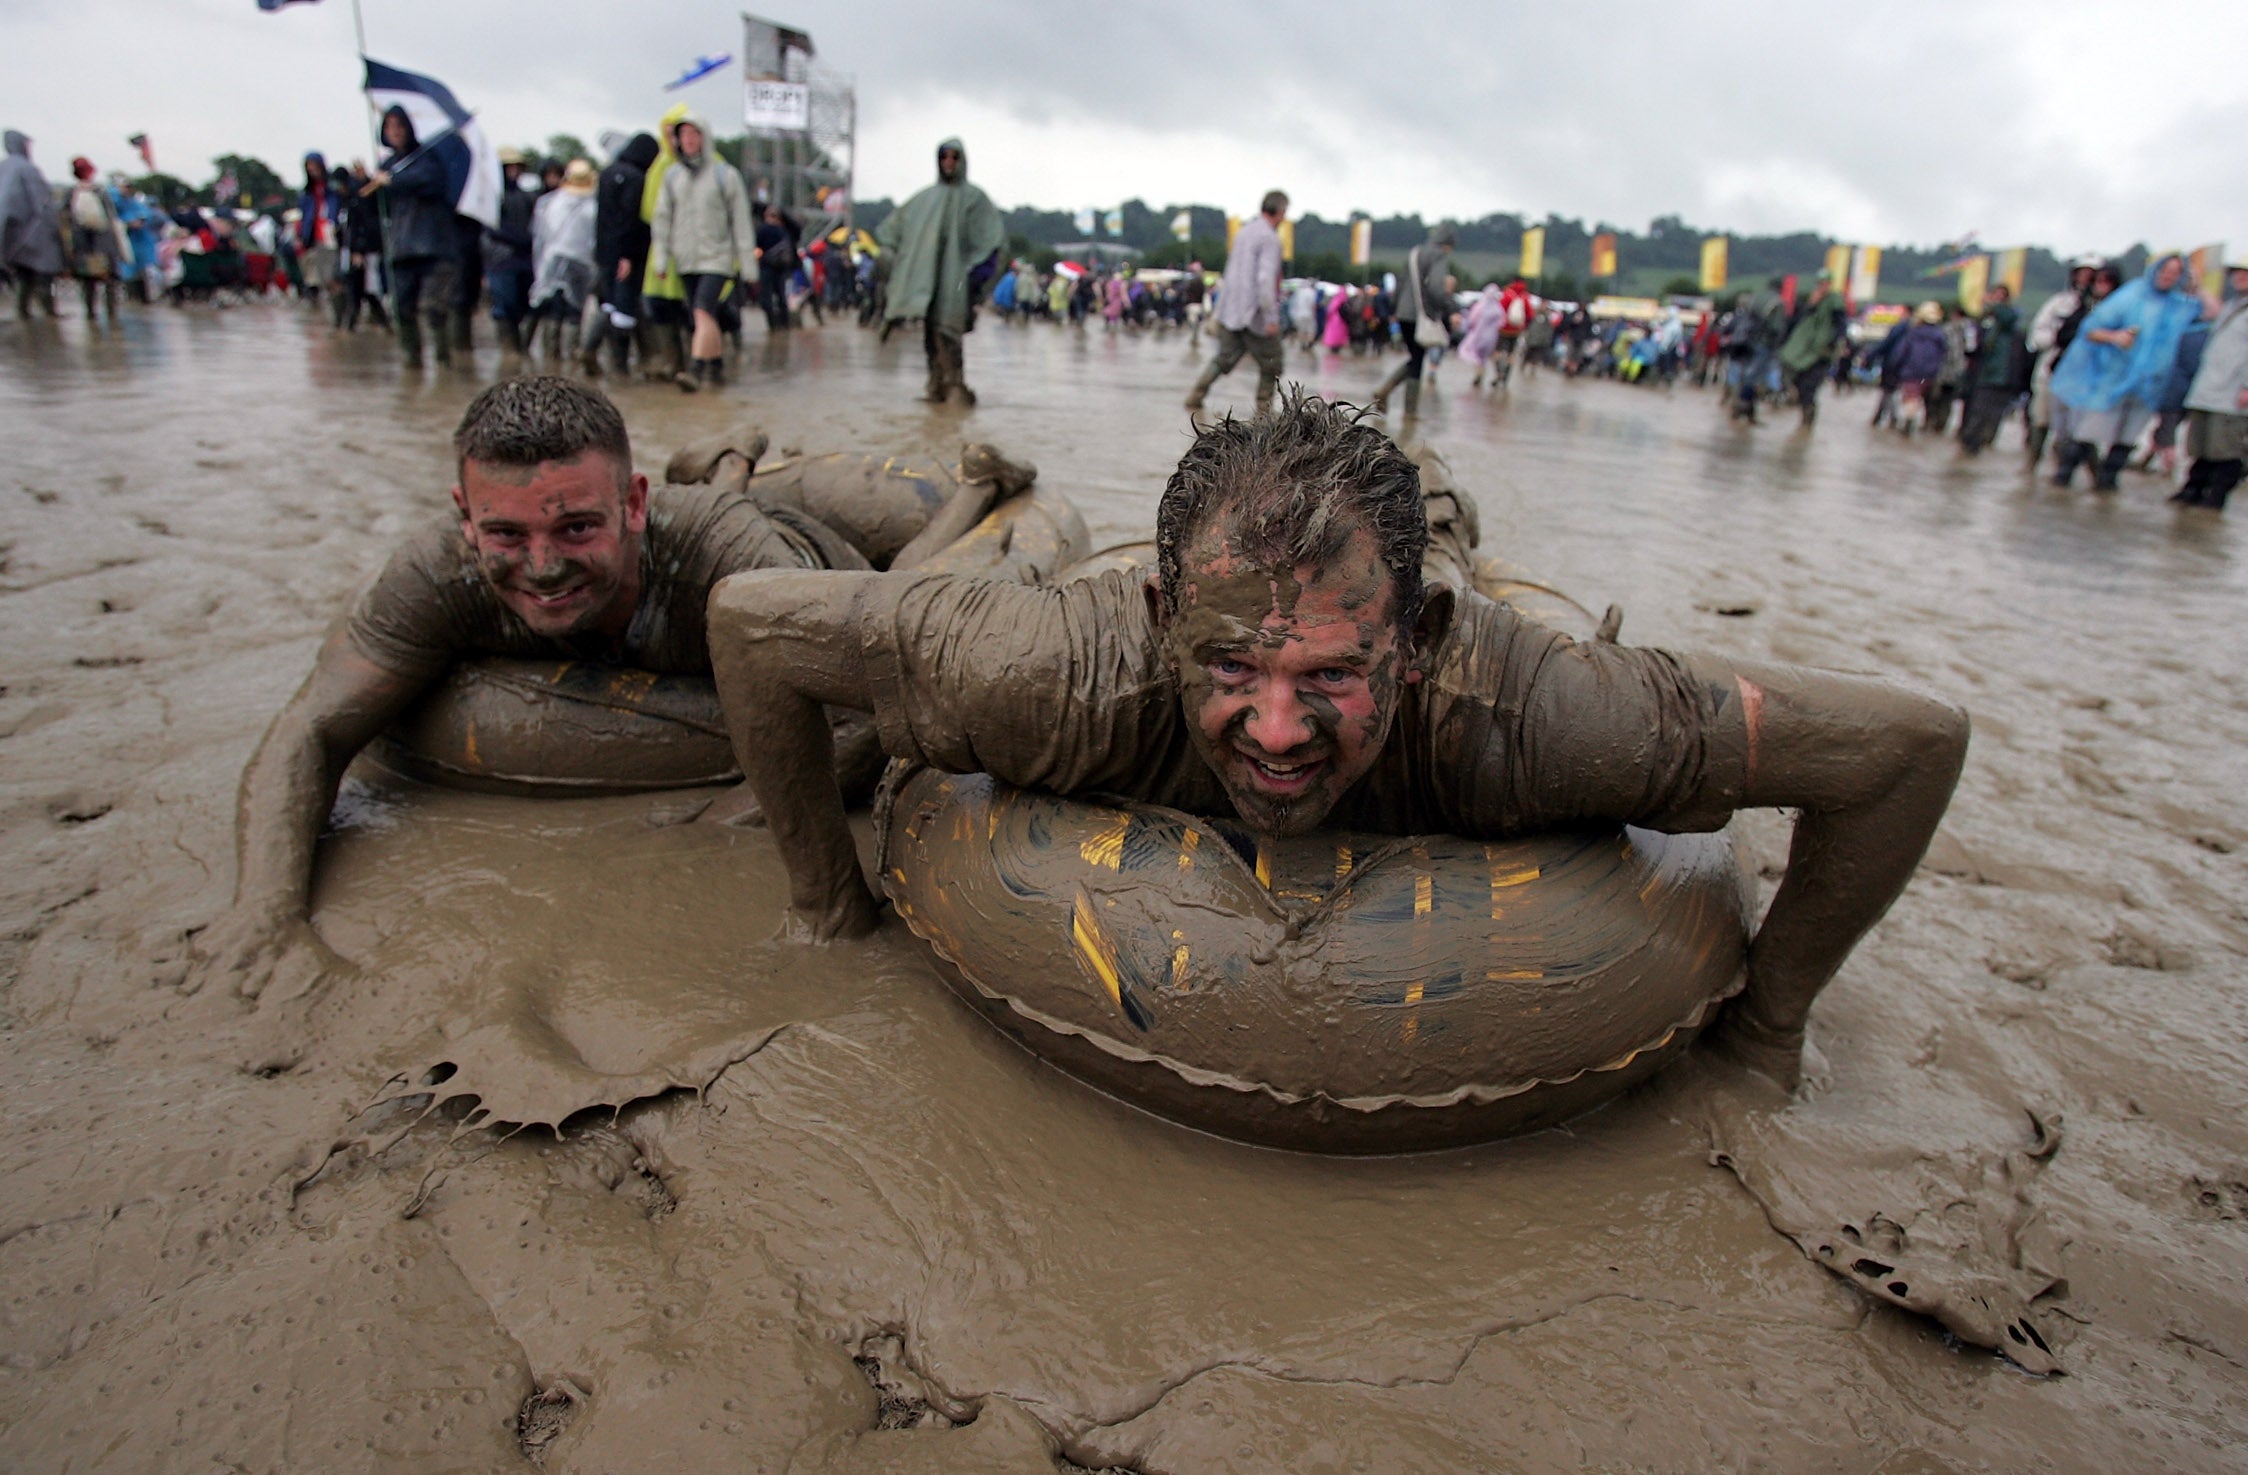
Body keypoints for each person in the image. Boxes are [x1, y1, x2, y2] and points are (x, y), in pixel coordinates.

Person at [704, 394, 1968, 1093]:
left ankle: (1434, 495)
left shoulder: (1533, 714)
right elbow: (756, 624)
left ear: (1409, 644)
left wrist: (1767, 1027)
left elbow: (1907, 747)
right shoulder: (1054, 673)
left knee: (1428, 521)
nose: (1274, 729)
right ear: (1161, 621)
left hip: (1447, 600)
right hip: (1133, 596)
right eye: (1231, 668)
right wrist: (830, 910)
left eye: (1329, 676)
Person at [194, 376, 1036, 1000]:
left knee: (907, 596)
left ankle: (974, 491)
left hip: (816, 562)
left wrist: (728, 812)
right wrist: (265, 910)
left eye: (575, 526)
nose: (544, 564)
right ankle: (733, 456)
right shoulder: (438, 571)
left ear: (633, 503)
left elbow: (866, 711)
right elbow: (311, 726)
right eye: (506, 533)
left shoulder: (728, 560)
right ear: (464, 516)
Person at [2049, 254, 2204, 491]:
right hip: (2114, 377)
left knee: (2128, 437)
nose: (2168, 277)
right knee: (2091, 429)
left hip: (2149, 384)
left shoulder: (2181, 306)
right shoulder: (2131, 296)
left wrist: (2197, 286)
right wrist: (2115, 336)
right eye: (2165, 271)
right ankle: (2063, 477)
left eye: (2175, 273)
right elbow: (2090, 329)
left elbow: (2213, 313)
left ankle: (2107, 484)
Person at [875, 138, 1005, 406]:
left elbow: (993, 241)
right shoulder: (923, 199)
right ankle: (936, 385)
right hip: (925, 280)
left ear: (962, 161)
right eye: (944, 157)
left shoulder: (974, 199)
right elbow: (891, 230)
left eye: (954, 157)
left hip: (957, 281)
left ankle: (955, 384)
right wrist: (888, 255)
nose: (948, 163)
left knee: (949, 331)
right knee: (931, 333)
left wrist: (975, 278)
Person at [650, 114, 755, 390]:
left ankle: (695, 370)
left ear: (705, 138)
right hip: (686, 258)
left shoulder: (725, 175)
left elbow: (741, 222)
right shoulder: (672, 177)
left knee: (702, 312)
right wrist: (661, 259)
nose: (690, 141)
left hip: (717, 257)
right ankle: (716, 366)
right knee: (703, 314)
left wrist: (748, 267)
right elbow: (662, 220)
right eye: (684, 136)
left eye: (695, 135)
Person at [366, 105, 461, 367]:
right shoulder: (385, 166)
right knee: (401, 309)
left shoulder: (427, 159)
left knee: (434, 309)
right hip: (400, 247)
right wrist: (365, 183)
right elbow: (372, 207)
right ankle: (412, 362)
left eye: (400, 126)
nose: (395, 131)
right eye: (389, 127)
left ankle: (443, 361)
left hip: (433, 246)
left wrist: (394, 181)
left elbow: (431, 183)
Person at [1184, 190, 1287, 416]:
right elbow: (1265, 279)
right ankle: (1263, 412)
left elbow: (1230, 274)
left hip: (1232, 312)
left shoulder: (1243, 233)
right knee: (1272, 363)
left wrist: (1220, 311)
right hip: (1256, 315)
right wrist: (1270, 317)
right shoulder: (1269, 238)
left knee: (1224, 358)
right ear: (1280, 212)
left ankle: (1195, 396)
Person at [580, 132, 658, 377]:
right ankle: (618, 364)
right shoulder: (636, 179)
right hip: (627, 254)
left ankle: (590, 349)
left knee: (610, 303)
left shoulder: (606, 174)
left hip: (604, 252)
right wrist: (627, 255)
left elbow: (603, 219)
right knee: (623, 307)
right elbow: (629, 219)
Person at [2174, 260, 2248, 510]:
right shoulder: (2232, 306)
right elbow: (2213, 312)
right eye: (2238, 272)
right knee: (2200, 446)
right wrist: (2199, 286)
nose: (2241, 277)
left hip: (2233, 394)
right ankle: (2192, 491)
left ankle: (2215, 500)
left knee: (2226, 450)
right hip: (2208, 390)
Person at [1371, 224, 1460, 416]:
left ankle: (1387, 393)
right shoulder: (1438, 256)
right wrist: (1449, 308)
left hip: (1403, 314)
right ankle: (1407, 411)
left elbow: (1401, 282)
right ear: (1448, 245)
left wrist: (1394, 309)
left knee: (1415, 357)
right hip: (1420, 316)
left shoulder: (1415, 253)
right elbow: (1437, 288)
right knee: (1417, 359)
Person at [2024, 256, 2099, 467]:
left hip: (2085, 376)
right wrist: (2058, 338)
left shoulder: (2104, 307)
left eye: (2091, 274)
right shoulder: (2059, 303)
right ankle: (2032, 463)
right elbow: (2037, 335)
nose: (2085, 278)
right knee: (2041, 418)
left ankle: (2090, 473)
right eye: (2081, 272)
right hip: (2052, 369)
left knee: (2080, 427)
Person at [529, 158, 598, 363]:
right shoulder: (592, 206)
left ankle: (550, 358)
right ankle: (571, 358)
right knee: (574, 310)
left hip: (551, 260)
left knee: (552, 307)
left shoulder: (550, 202)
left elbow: (539, 237)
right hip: (581, 263)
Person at [1957, 284, 2028, 454]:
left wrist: (1993, 305)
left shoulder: (2008, 319)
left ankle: (1979, 442)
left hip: (1999, 375)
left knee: (1989, 412)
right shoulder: (1985, 321)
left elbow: (2008, 317)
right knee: (1975, 410)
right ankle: (1969, 442)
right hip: (1980, 372)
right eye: (1995, 295)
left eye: (2001, 296)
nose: (1996, 299)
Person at [1, 130, 64, 318]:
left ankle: (23, 312)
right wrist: (55, 230)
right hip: (35, 234)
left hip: (11, 236)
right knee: (43, 276)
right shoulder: (28, 169)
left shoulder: (3, 167)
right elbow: (43, 204)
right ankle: (49, 312)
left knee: (23, 277)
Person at [484, 148, 536, 355]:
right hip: (501, 259)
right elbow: (491, 228)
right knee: (504, 304)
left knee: (522, 304)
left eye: (517, 167)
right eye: (509, 167)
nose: (514, 171)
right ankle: (509, 351)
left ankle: (518, 349)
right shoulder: (493, 197)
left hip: (524, 258)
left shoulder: (527, 197)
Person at [64, 157, 129, 322]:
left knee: (88, 281)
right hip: (104, 242)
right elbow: (111, 216)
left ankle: (90, 312)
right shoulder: (101, 191)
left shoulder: (71, 192)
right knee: (110, 279)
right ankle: (112, 313)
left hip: (82, 244)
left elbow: (66, 217)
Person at [1777, 272, 1846, 426]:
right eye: (1820, 283)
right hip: (1803, 348)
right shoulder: (1812, 302)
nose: (1822, 286)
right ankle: (1800, 410)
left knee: (1810, 387)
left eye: (1825, 283)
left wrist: (1834, 343)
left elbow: (1841, 325)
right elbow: (1798, 321)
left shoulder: (1835, 301)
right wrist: (1811, 305)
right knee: (1791, 373)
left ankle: (1807, 421)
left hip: (1820, 352)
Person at [294, 153, 340, 308]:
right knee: (318, 276)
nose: (312, 169)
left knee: (331, 275)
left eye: (314, 165)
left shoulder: (332, 187)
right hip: (314, 237)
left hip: (331, 234)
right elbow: (305, 216)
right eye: (309, 166)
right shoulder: (307, 192)